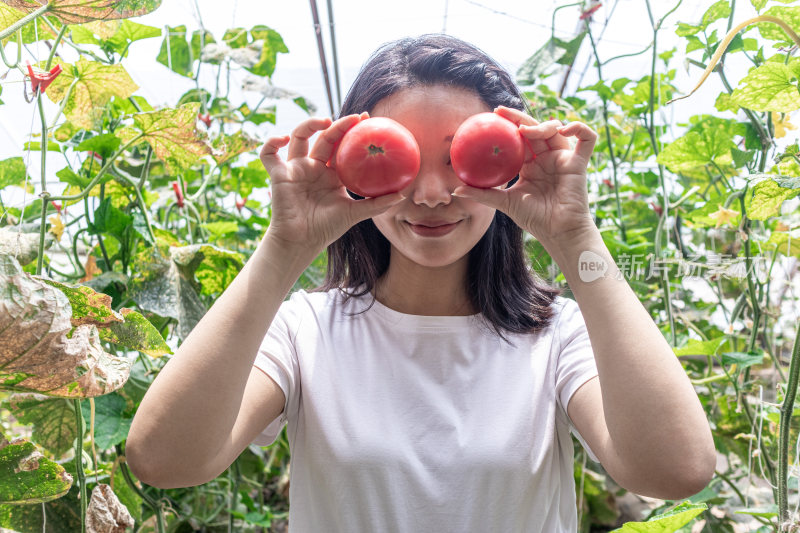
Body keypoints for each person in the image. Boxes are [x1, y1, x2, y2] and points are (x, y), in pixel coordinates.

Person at [127, 34, 716, 532]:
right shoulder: (306, 332)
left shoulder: (557, 337)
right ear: (348, 166)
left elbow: (677, 470)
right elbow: (164, 459)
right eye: (396, 155)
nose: (432, 194)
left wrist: (577, 239)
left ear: (511, 163)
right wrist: (284, 248)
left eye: (463, 155)